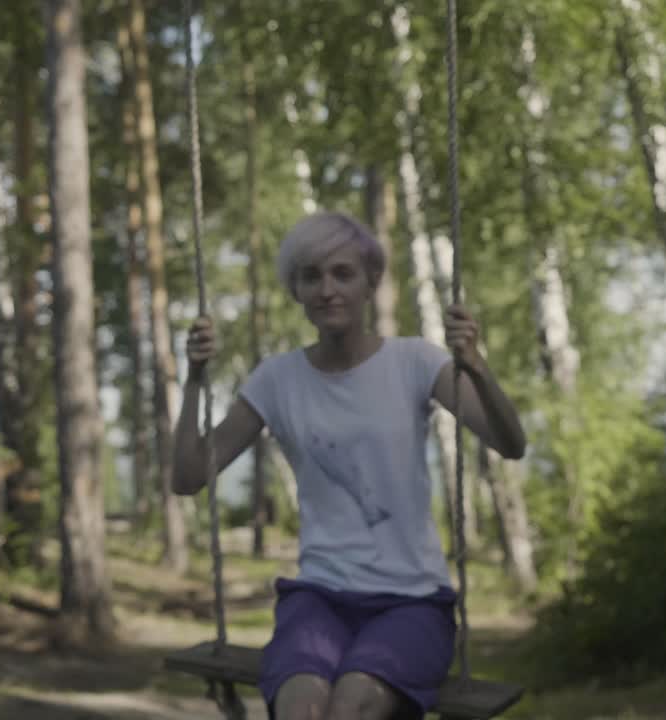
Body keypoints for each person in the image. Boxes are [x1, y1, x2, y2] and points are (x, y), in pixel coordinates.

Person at [172, 211, 527, 720]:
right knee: (302, 709)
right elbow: (187, 478)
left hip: (412, 602)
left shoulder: (415, 363)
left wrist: (476, 367)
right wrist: (193, 381)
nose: (327, 289)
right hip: (319, 599)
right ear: (295, 289)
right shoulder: (277, 380)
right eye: (311, 276)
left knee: (352, 707)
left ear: (371, 283)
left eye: (343, 273)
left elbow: (510, 443)